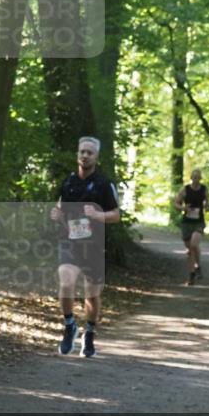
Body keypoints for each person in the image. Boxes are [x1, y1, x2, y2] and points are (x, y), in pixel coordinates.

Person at [50, 137, 120, 358]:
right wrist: (57, 213)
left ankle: (89, 332)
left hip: (94, 245)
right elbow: (60, 206)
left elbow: (116, 215)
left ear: (96, 157)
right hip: (69, 242)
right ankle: (70, 325)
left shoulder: (104, 184)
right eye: (82, 152)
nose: (85, 155)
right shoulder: (68, 181)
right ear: (77, 155)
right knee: (66, 281)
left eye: (89, 152)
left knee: (91, 295)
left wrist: (98, 215)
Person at [174, 168, 209, 285]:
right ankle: (194, 272)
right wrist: (184, 208)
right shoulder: (185, 190)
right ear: (191, 178)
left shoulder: (204, 189)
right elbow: (176, 203)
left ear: (200, 178)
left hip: (199, 222)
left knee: (194, 244)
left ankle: (195, 270)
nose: (196, 180)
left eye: (198, 177)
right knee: (190, 250)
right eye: (194, 177)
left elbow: (207, 203)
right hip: (187, 222)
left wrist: (208, 206)